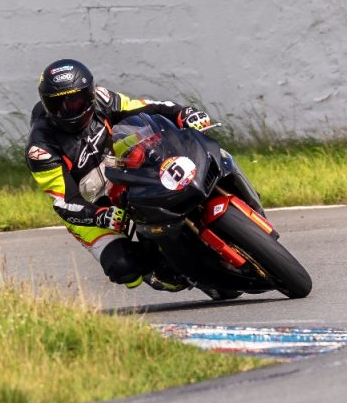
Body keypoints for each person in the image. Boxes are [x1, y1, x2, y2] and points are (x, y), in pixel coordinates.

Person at [25, 58, 213, 291]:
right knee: (124, 268)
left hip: (120, 170)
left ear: (90, 94)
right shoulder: (40, 148)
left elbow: (148, 106)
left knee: (170, 167)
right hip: (89, 205)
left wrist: (183, 113)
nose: (69, 110)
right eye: (58, 105)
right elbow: (65, 202)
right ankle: (156, 269)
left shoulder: (103, 99)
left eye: (76, 101)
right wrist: (99, 215)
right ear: (46, 105)